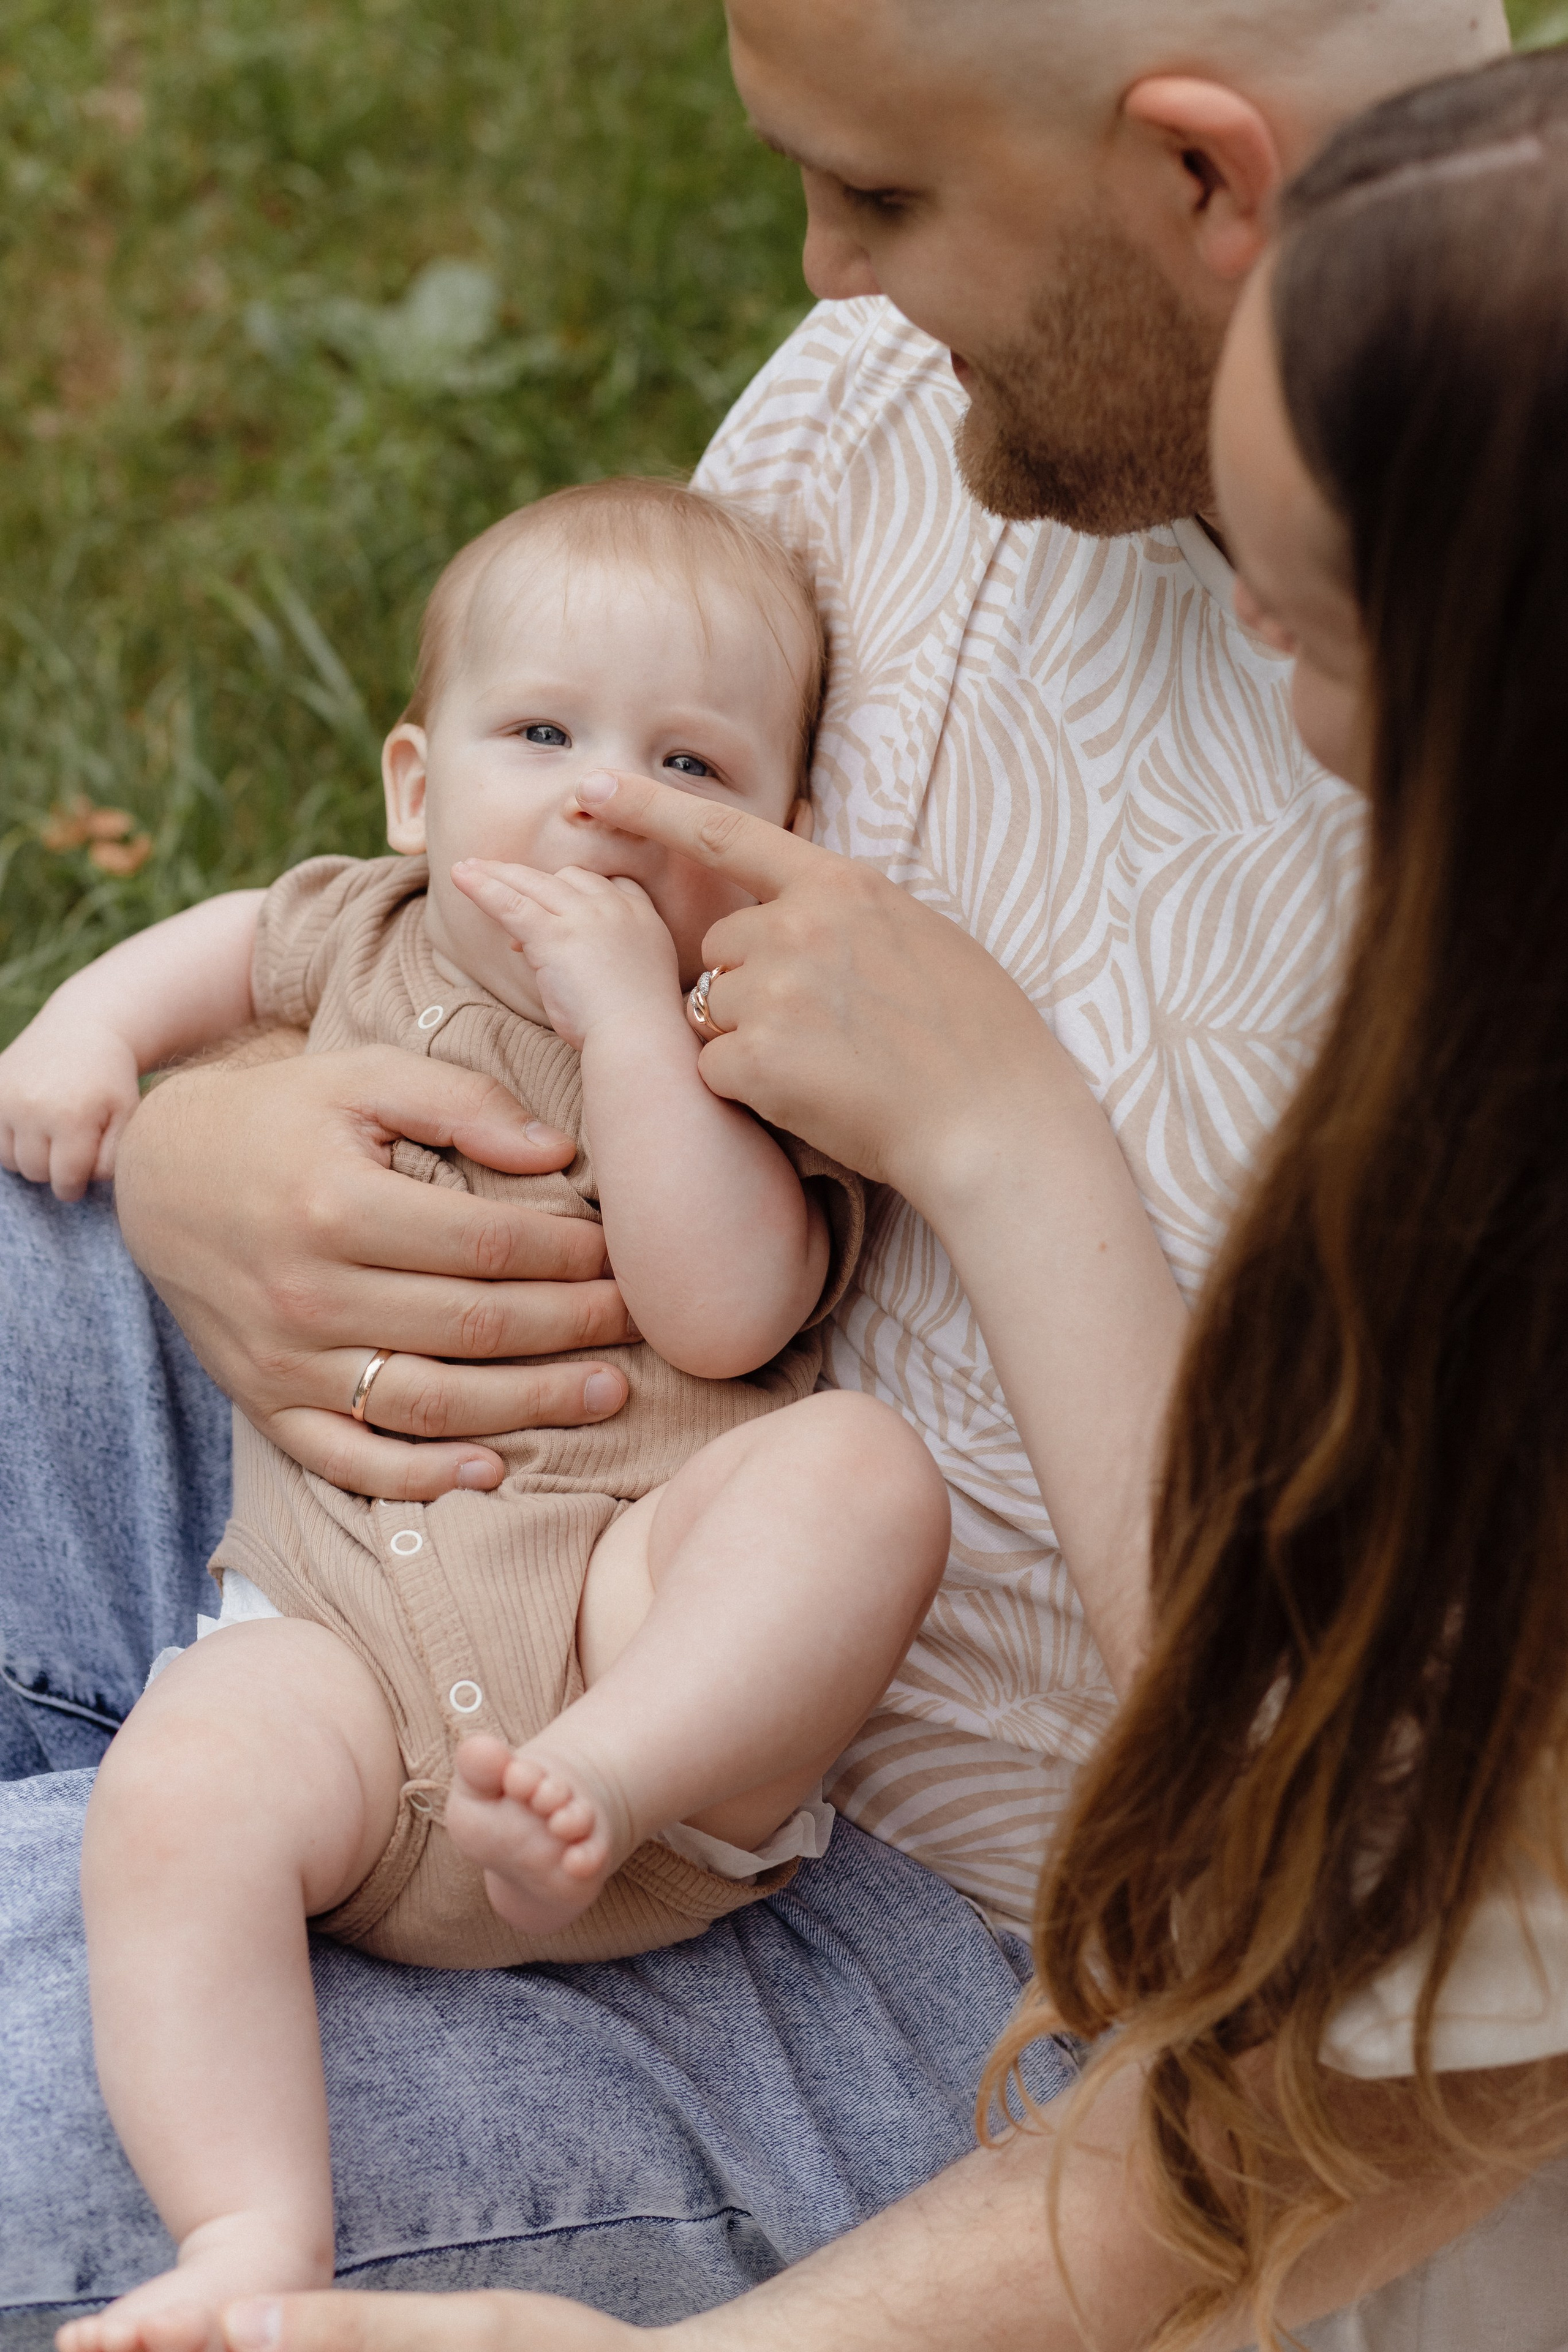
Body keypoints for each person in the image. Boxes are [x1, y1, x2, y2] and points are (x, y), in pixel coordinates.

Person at [0, 0, 1518, 2335]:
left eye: (890, 197)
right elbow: (472, 847)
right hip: (402, 1449)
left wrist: (1002, 1132)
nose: (819, 274)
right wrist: (219, 1152)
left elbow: (1403, 2014)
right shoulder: (935, 387)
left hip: (867, 1893)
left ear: (1204, 181)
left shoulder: (1454, 730)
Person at [0, 479, 961, 2343]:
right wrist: (85, 1042)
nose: (602, 797)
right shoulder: (357, 934)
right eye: (544, 736)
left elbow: (726, 1303)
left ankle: (612, 1775)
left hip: (630, 1644)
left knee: (854, 1476)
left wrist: (627, 1036)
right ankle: (253, 2232)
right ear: (417, 791)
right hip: (337, 1659)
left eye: (686, 764)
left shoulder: (736, 1041)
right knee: (180, 1796)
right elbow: (211, 948)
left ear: (780, 836)